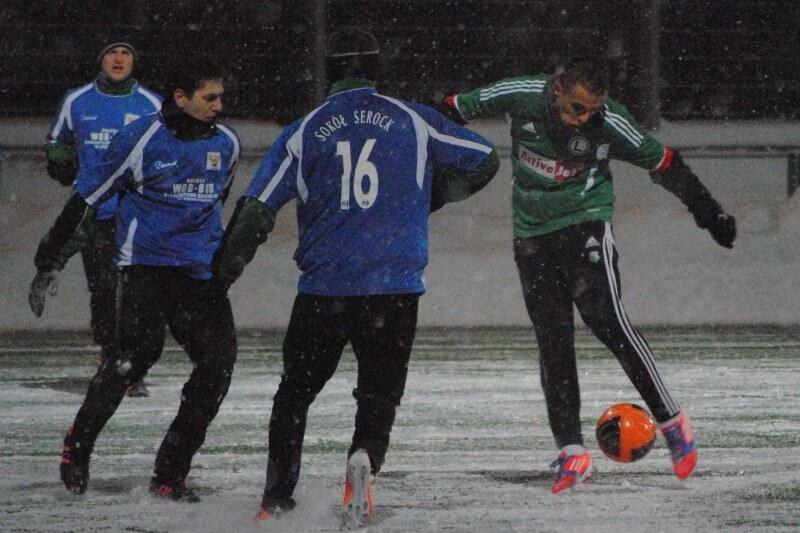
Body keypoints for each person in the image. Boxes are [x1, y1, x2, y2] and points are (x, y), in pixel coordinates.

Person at [212, 28, 499, 527]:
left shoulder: (303, 131)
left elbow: (256, 211)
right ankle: (363, 457)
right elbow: (485, 158)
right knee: (379, 391)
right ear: (375, 68)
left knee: (294, 394)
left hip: (326, 286)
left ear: (327, 71)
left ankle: (276, 498)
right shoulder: (414, 118)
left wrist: (221, 278)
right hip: (394, 285)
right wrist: (431, 197)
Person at [442, 57, 736, 493]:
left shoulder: (610, 121)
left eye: (592, 111)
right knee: (553, 340)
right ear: (558, 90)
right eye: (578, 108)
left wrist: (709, 213)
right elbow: (451, 108)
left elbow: (665, 163)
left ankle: (674, 424)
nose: (585, 119)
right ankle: (571, 453)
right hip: (531, 237)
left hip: (586, 225)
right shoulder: (519, 94)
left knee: (610, 324)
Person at [29, 50, 240, 502]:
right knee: (134, 357)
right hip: (146, 271)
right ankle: (78, 444)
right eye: (210, 98)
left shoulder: (226, 144)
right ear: (180, 98)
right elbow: (86, 202)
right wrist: (50, 260)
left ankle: (169, 474)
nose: (219, 106)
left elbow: (217, 202)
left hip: (198, 277)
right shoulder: (139, 140)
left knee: (218, 368)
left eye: (221, 97)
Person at [44, 37, 162, 397]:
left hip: (137, 216)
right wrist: (61, 160)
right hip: (94, 213)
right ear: (101, 59)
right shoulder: (77, 101)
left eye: (126, 52)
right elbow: (58, 141)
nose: (119, 58)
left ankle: (132, 361)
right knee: (105, 289)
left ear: (134, 61)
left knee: (137, 291)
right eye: (112, 52)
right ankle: (112, 354)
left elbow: (166, 145)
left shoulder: (151, 104)